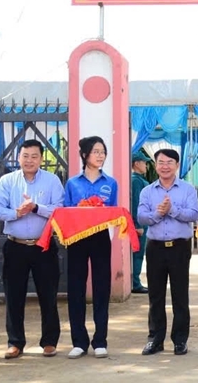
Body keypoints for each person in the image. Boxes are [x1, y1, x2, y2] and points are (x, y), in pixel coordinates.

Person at [0, 139, 65, 359]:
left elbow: (59, 210)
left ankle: (49, 342)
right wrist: (17, 213)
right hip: (15, 245)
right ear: (18, 157)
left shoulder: (52, 181)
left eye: (34, 156)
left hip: (43, 246)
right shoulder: (7, 181)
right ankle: (15, 342)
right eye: (25, 156)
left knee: (48, 295)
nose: (29, 160)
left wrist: (35, 207)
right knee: (13, 296)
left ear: (41, 159)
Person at [137, 148, 198, 356]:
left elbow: (193, 214)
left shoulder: (187, 189)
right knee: (155, 296)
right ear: (155, 165)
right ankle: (155, 339)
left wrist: (171, 210)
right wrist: (158, 213)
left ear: (177, 165)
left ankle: (180, 340)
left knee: (180, 295)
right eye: (161, 162)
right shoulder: (147, 191)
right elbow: (141, 217)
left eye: (169, 162)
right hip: (155, 247)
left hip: (179, 247)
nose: (165, 166)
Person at [64, 136, 119, 360]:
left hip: (100, 238)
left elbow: (113, 212)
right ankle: (79, 341)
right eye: (96, 151)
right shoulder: (72, 183)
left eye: (103, 152)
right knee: (76, 288)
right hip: (77, 238)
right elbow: (66, 212)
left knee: (101, 288)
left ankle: (100, 341)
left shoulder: (111, 183)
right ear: (85, 154)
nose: (100, 155)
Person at [130, 150, 151, 294]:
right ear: (136, 164)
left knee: (139, 253)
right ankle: (135, 283)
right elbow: (136, 202)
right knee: (137, 254)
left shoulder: (138, 180)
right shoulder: (136, 181)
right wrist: (138, 225)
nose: (146, 166)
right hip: (140, 224)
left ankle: (136, 282)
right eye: (144, 162)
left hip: (143, 222)